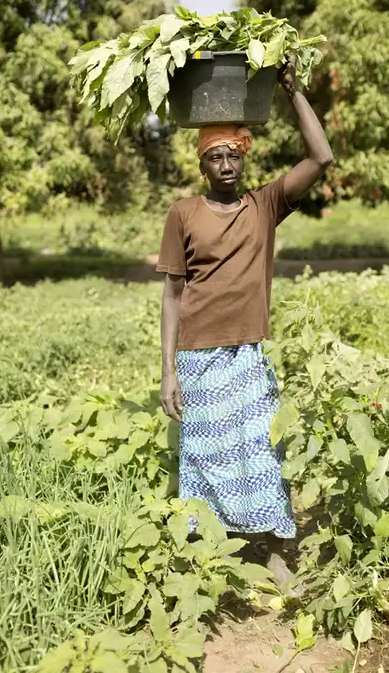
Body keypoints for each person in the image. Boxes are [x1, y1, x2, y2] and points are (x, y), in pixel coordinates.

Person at [156, 62, 333, 589]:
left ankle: (271, 549)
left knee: (259, 449)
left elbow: (321, 156)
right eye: (215, 156)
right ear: (202, 165)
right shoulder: (183, 214)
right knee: (206, 456)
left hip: (249, 354)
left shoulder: (265, 205)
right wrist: (167, 370)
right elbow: (171, 294)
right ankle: (205, 559)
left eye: (234, 153)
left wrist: (293, 90)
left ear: (244, 156)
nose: (227, 164)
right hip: (197, 353)